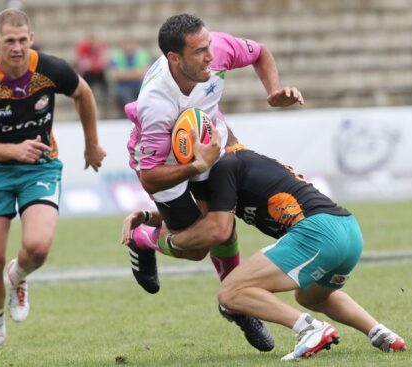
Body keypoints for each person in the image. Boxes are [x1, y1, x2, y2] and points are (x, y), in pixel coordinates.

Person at [124, 13, 303, 351]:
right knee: (196, 248)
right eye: (199, 52)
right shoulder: (156, 104)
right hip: (164, 161)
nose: (210, 57)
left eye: (208, 47)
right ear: (174, 58)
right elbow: (149, 178)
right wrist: (194, 166)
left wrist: (273, 91)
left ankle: (234, 301)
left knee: (222, 227)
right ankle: (145, 239)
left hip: (210, 142)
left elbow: (260, 51)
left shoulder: (216, 49)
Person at [123, 147, 407, 360]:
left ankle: (308, 329)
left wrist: (165, 243)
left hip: (317, 233)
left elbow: (217, 230)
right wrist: (150, 216)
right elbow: (202, 214)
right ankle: (380, 333)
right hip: (347, 229)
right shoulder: (235, 163)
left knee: (230, 292)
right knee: (311, 295)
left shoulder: (223, 167)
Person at [0, 9, 106, 347]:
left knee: (36, 247)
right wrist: (13, 151)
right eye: (9, 41)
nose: (17, 47)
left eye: (22, 40)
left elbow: (84, 94)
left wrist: (91, 145)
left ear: (31, 39)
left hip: (40, 165)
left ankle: (17, 276)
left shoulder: (50, 69)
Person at [109, 39, 150, 115]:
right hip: (123, 87)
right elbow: (115, 74)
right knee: (125, 96)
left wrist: (124, 74)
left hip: (139, 86)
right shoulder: (117, 57)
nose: (128, 48)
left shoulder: (141, 55)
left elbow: (144, 72)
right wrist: (135, 73)